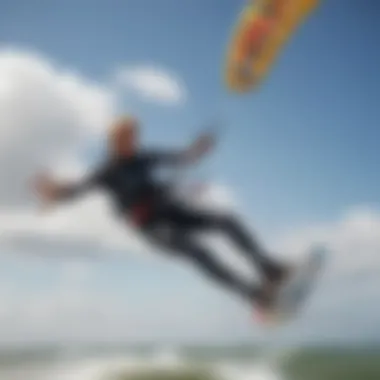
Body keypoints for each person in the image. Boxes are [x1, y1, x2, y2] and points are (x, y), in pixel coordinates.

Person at [33, 116, 289, 309]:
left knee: (226, 221)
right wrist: (54, 193)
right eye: (127, 137)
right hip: (152, 227)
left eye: (135, 135)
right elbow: (77, 190)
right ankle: (255, 295)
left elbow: (183, 158)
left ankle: (267, 269)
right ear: (114, 141)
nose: (134, 140)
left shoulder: (143, 157)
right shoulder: (107, 171)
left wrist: (199, 148)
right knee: (199, 251)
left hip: (171, 210)